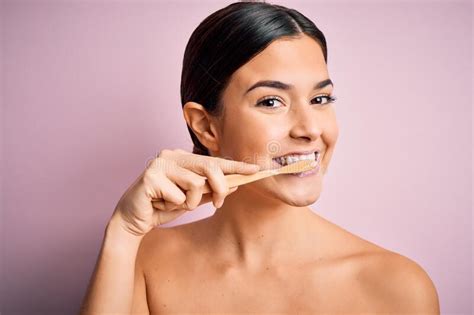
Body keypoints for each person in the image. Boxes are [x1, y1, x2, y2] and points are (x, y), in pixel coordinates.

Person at [79, 1, 440, 314]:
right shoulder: (143, 263)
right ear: (206, 127)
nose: (310, 129)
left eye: (320, 99)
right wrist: (123, 232)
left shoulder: (397, 287)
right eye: (271, 102)